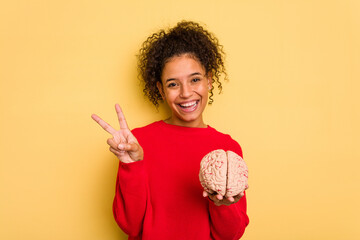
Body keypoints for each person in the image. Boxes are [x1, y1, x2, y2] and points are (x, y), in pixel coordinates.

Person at [91, 21, 249, 240]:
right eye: (173, 84)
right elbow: (130, 225)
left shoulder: (227, 149)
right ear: (161, 90)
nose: (186, 93)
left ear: (209, 81)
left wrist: (223, 205)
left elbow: (230, 235)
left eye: (195, 79)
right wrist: (130, 165)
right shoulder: (137, 143)